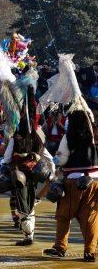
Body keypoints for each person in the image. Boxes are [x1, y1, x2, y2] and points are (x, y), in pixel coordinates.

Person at [44, 102, 98, 262]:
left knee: (64, 215)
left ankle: (60, 247)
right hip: (94, 181)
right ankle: (89, 252)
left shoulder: (69, 137)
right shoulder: (95, 134)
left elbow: (60, 159)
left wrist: (56, 159)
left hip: (73, 181)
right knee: (91, 217)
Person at [3, 84, 55, 246]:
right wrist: (51, 173)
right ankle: (29, 232)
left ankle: (28, 235)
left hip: (20, 175)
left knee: (23, 203)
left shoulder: (16, 137)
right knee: (30, 202)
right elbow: (48, 158)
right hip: (34, 174)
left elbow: (6, 159)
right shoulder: (38, 139)